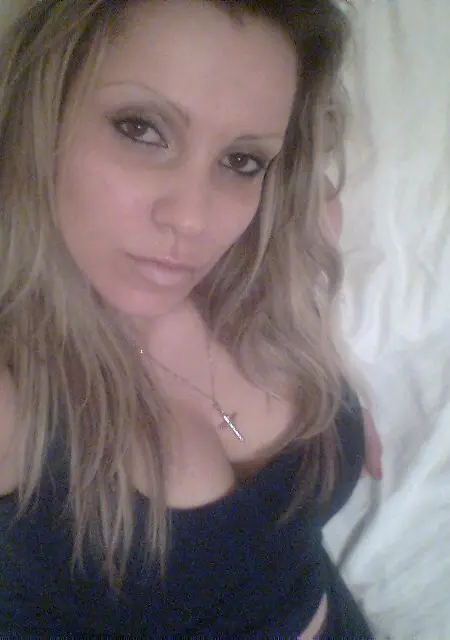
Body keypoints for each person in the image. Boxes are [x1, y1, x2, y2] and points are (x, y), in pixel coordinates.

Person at [0, 0, 380, 636]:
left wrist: (338, 399)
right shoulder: (16, 399)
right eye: (141, 129)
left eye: (241, 160)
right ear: (42, 114)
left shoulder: (279, 247)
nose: (194, 218)